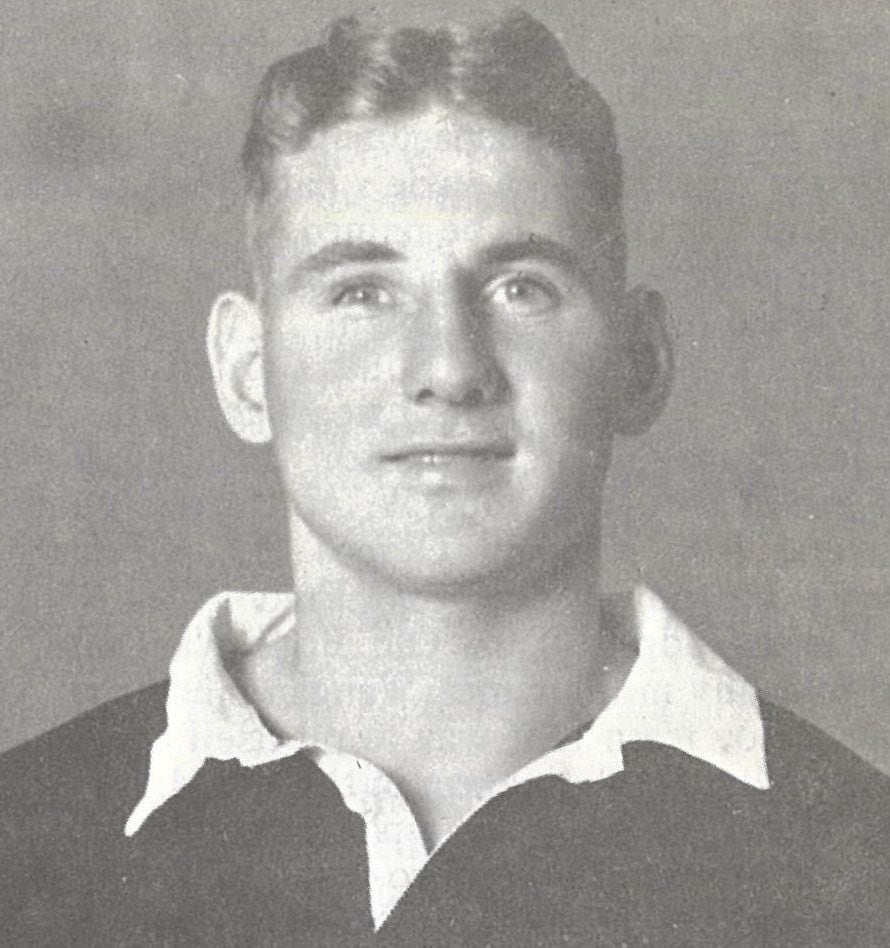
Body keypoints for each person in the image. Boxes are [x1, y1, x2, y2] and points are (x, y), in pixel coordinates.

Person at [2, 11, 888, 946]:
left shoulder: (859, 864)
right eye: (361, 291)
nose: (449, 368)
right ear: (247, 371)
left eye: (521, 287)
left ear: (638, 360)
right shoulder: (26, 843)